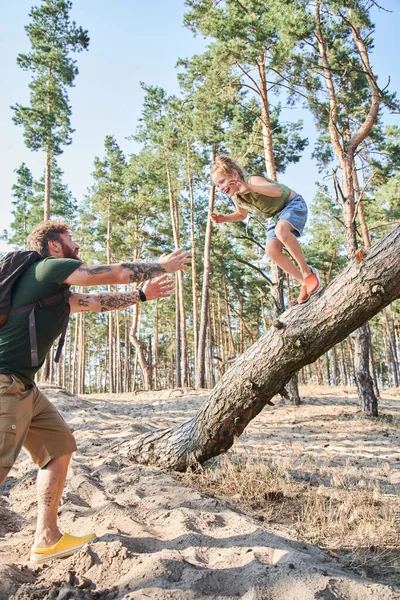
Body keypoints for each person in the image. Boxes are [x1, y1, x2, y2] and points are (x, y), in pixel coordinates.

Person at [0, 220, 191, 564]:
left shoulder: (52, 292)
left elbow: (95, 301)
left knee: (58, 447)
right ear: (55, 246)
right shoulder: (46, 268)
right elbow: (112, 274)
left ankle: (47, 537)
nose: (77, 245)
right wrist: (162, 265)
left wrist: (143, 295)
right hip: (4, 384)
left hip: (24, 387)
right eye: (71, 239)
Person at [210, 155, 320, 304]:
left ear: (234, 174)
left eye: (222, 181)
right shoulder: (237, 197)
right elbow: (242, 215)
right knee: (271, 250)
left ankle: (308, 272)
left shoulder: (251, 180)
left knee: (281, 230)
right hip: (276, 216)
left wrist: (249, 187)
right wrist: (224, 218)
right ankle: (304, 282)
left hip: (292, 204)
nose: (221, 188)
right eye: (218, 185)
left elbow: (277, 191)